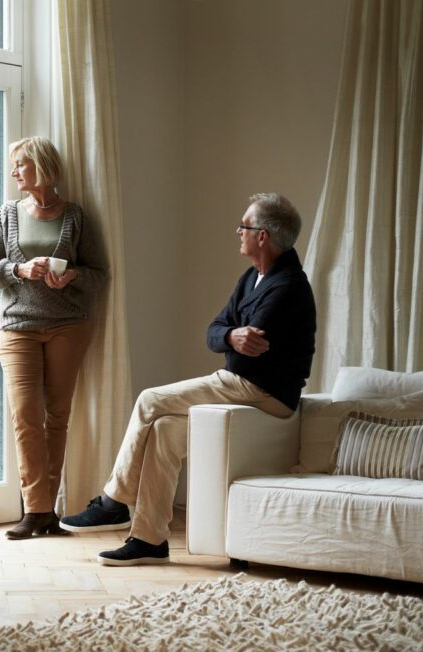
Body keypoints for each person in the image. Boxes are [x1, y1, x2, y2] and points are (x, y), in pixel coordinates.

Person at [60, 192, 316, 565]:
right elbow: (215, 331)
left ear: (263, 236)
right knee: (163, 431)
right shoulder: (252, 278)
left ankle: (113, 501)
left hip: (261, 391)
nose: (237, 232)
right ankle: (149, 538)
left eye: (243, 226)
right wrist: (230, 336)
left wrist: (231, 339)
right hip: (242, 382)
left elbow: (249, 354)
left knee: (150, 399)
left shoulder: (289, 286)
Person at [0, 136, 109, 540]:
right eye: (14, 165)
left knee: (58, 417)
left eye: (21, 164)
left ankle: (46, 512)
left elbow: (99, 274)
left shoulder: (75, 216)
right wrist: (19, 270)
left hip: (68, 326)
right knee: (25, 417)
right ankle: (35, 509)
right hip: (18, 326)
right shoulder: (7, 215)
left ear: (42, 167)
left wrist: (72, 275)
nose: (15, 171)